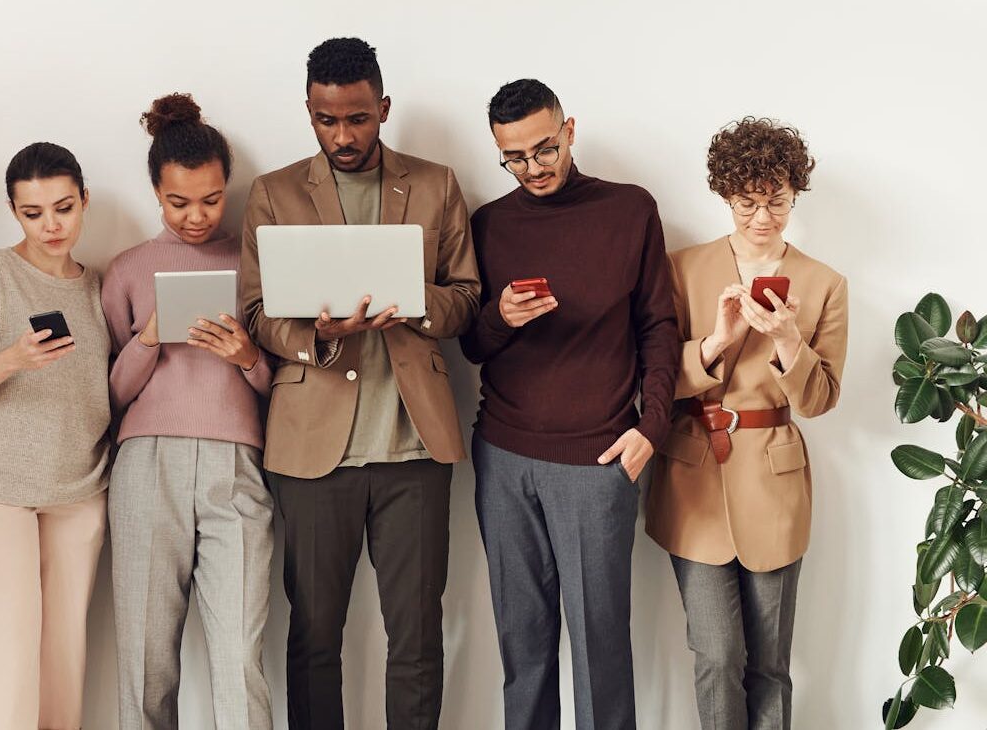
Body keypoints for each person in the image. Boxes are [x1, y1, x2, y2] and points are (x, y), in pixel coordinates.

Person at [240, 37, 480, 730]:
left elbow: (467, 296)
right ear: (309, 113)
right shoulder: (275, 193)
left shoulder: (436, 184)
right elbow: (256, 313)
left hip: (414, 449)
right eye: (326, 120)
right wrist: (318, 334)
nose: (343, 136)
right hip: (313, 452)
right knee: (314, 637)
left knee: (415, 636)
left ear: (383, 108)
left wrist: (416, 303)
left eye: (357, 119)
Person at [459, 78, 680, 730]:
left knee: (600, 648)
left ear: (570, 130)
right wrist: (499, 316)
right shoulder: (490, 223)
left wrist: (653, 428)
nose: (533, 168)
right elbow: (470, 343)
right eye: (515, 158)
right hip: (503, 457)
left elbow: (659, 328)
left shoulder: (630, 211)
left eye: (544, 149)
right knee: (521, 647)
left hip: (598, 457)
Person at [645, 117, 847, 730]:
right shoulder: (681, 269)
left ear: (795, 193)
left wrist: (789, 340)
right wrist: (714, 342)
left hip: (777, 480)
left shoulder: (825, 283)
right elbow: (654, 379)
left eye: (776, 201)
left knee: (770, 664)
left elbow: (820, 399)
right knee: (717, 655)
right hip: (692, 478)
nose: (762, 217)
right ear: (725, 195)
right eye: (746, 203)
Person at [102, 93, 275, 730]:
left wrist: (246, 354)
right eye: (179, 202)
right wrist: (149, 339)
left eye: (210, 199)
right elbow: (113, 395)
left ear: (227, 186)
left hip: (238, 465)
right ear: (155, 191)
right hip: (148, 466)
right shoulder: (127, 270)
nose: (196, 216)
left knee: (240, 652)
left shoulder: (253, 264)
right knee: (146, 657)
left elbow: (279, 385)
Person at [0, 142, 110, 730]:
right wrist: (11, 360)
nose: (51, 225)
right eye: (33, 213)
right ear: (13, 211)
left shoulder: (99, 288)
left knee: (64, 667)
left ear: (85, 200)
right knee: (7, 668)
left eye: (63, 207)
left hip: (78, 491)